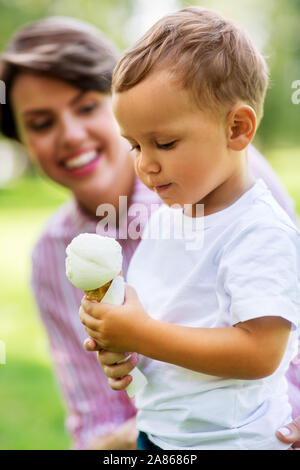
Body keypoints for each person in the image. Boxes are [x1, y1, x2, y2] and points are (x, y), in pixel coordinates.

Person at [0, 15, 299, 450]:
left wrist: (139, 334)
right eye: (136, 144)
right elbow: (100, 419)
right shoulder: (164, 220)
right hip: (157, 439)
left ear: (237, 130)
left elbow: (264, 350)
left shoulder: (244, 204)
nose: (145, 165)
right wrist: (123, 352)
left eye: (86, 106)